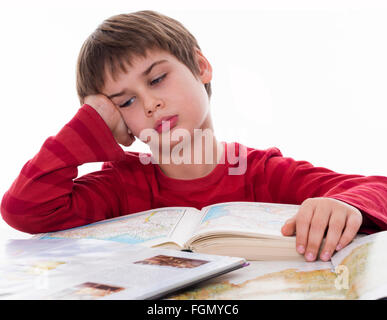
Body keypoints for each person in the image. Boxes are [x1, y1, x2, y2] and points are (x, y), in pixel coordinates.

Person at [1, 10, 386, 263]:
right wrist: (87, 124)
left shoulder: (262, 172)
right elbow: (25, 209)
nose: (150, 104)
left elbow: (377, 189)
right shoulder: (118, 185)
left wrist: (345, 207)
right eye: (127, 101)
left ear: (201, 66)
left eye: (157, 79)